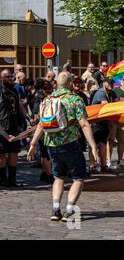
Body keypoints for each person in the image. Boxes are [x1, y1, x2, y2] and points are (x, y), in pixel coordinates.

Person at [27, 72, 98, 222]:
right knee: (78, 177)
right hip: (70, 143)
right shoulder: (74, 99)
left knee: (58, 176)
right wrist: (93, 146)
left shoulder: (47, 99)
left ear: (56, 84)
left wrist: (33, 144)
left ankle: (55, 209)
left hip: (51, 144)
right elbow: (84, 124)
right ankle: (69, 210)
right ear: (71, 84)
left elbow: (41, 124)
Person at [0, 69, 26, 187]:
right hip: (2, 127)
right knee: (1, 154)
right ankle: (2, 179)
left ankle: (12, 179)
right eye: (8, 77)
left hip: (14, 125)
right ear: (2, 78)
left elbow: (19, 105)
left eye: (12, 76)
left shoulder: (14, 90)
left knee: (13, 152)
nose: (11, 79)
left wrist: (27, 117)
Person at [91, 78, 117, 173]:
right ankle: (92, 166)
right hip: (96, 122)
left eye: (113, 83)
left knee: (103, 144)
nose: (112, 85)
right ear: (104, 83)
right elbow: (106, 106)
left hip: (105, 122)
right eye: (110, 83)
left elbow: (117, 102)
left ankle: (103, 166)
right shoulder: (100, 93)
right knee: (94, 144)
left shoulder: (112, 93)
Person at [30, 79, 54, 184]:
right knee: (46, 152)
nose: (49, 90)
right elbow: (35, 116)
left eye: (50, 88)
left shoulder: (42, 97)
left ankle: (44, 173)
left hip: (44, 128)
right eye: (47, 88)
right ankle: (49, 175)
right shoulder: (40, 99)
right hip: (43, 129)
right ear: (42, 89)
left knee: (44, 152)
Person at [110, 74, 124, 168]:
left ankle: (120, 161)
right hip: (114, 119)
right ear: (121, 81)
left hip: (123, 119)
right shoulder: (115, 91)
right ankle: (108, 161)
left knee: (121, 141)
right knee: (110, 140)